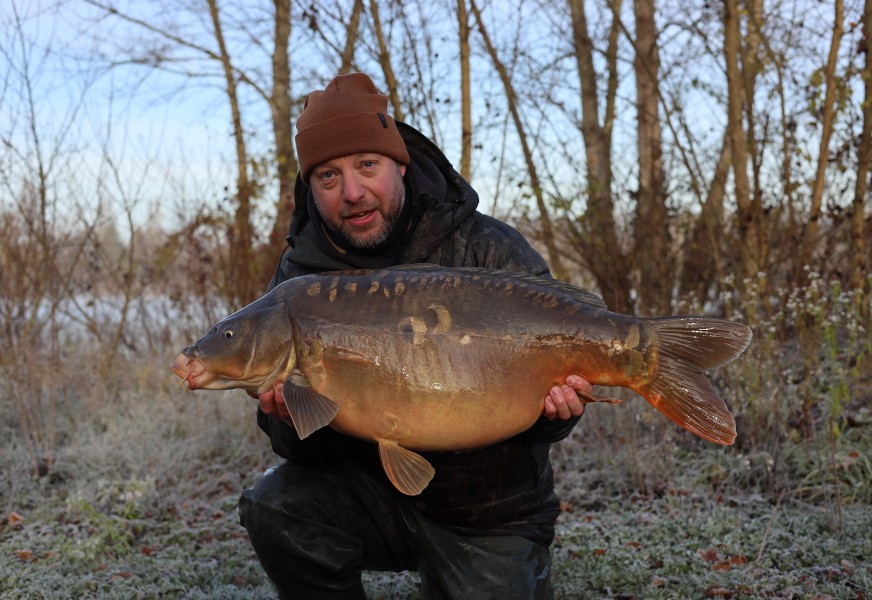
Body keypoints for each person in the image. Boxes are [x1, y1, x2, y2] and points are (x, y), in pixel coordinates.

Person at [238, 72, 592, 600]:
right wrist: (285, 415)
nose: (352, 193)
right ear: (311, 188)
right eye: (328, 177)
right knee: (274, 505)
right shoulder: (300, 279)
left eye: (367, 165)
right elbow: (300, 453)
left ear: (398, 163)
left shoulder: (486, 247)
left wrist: (556, 414)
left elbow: (540, 424)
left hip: (488, 512)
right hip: (371, 495)